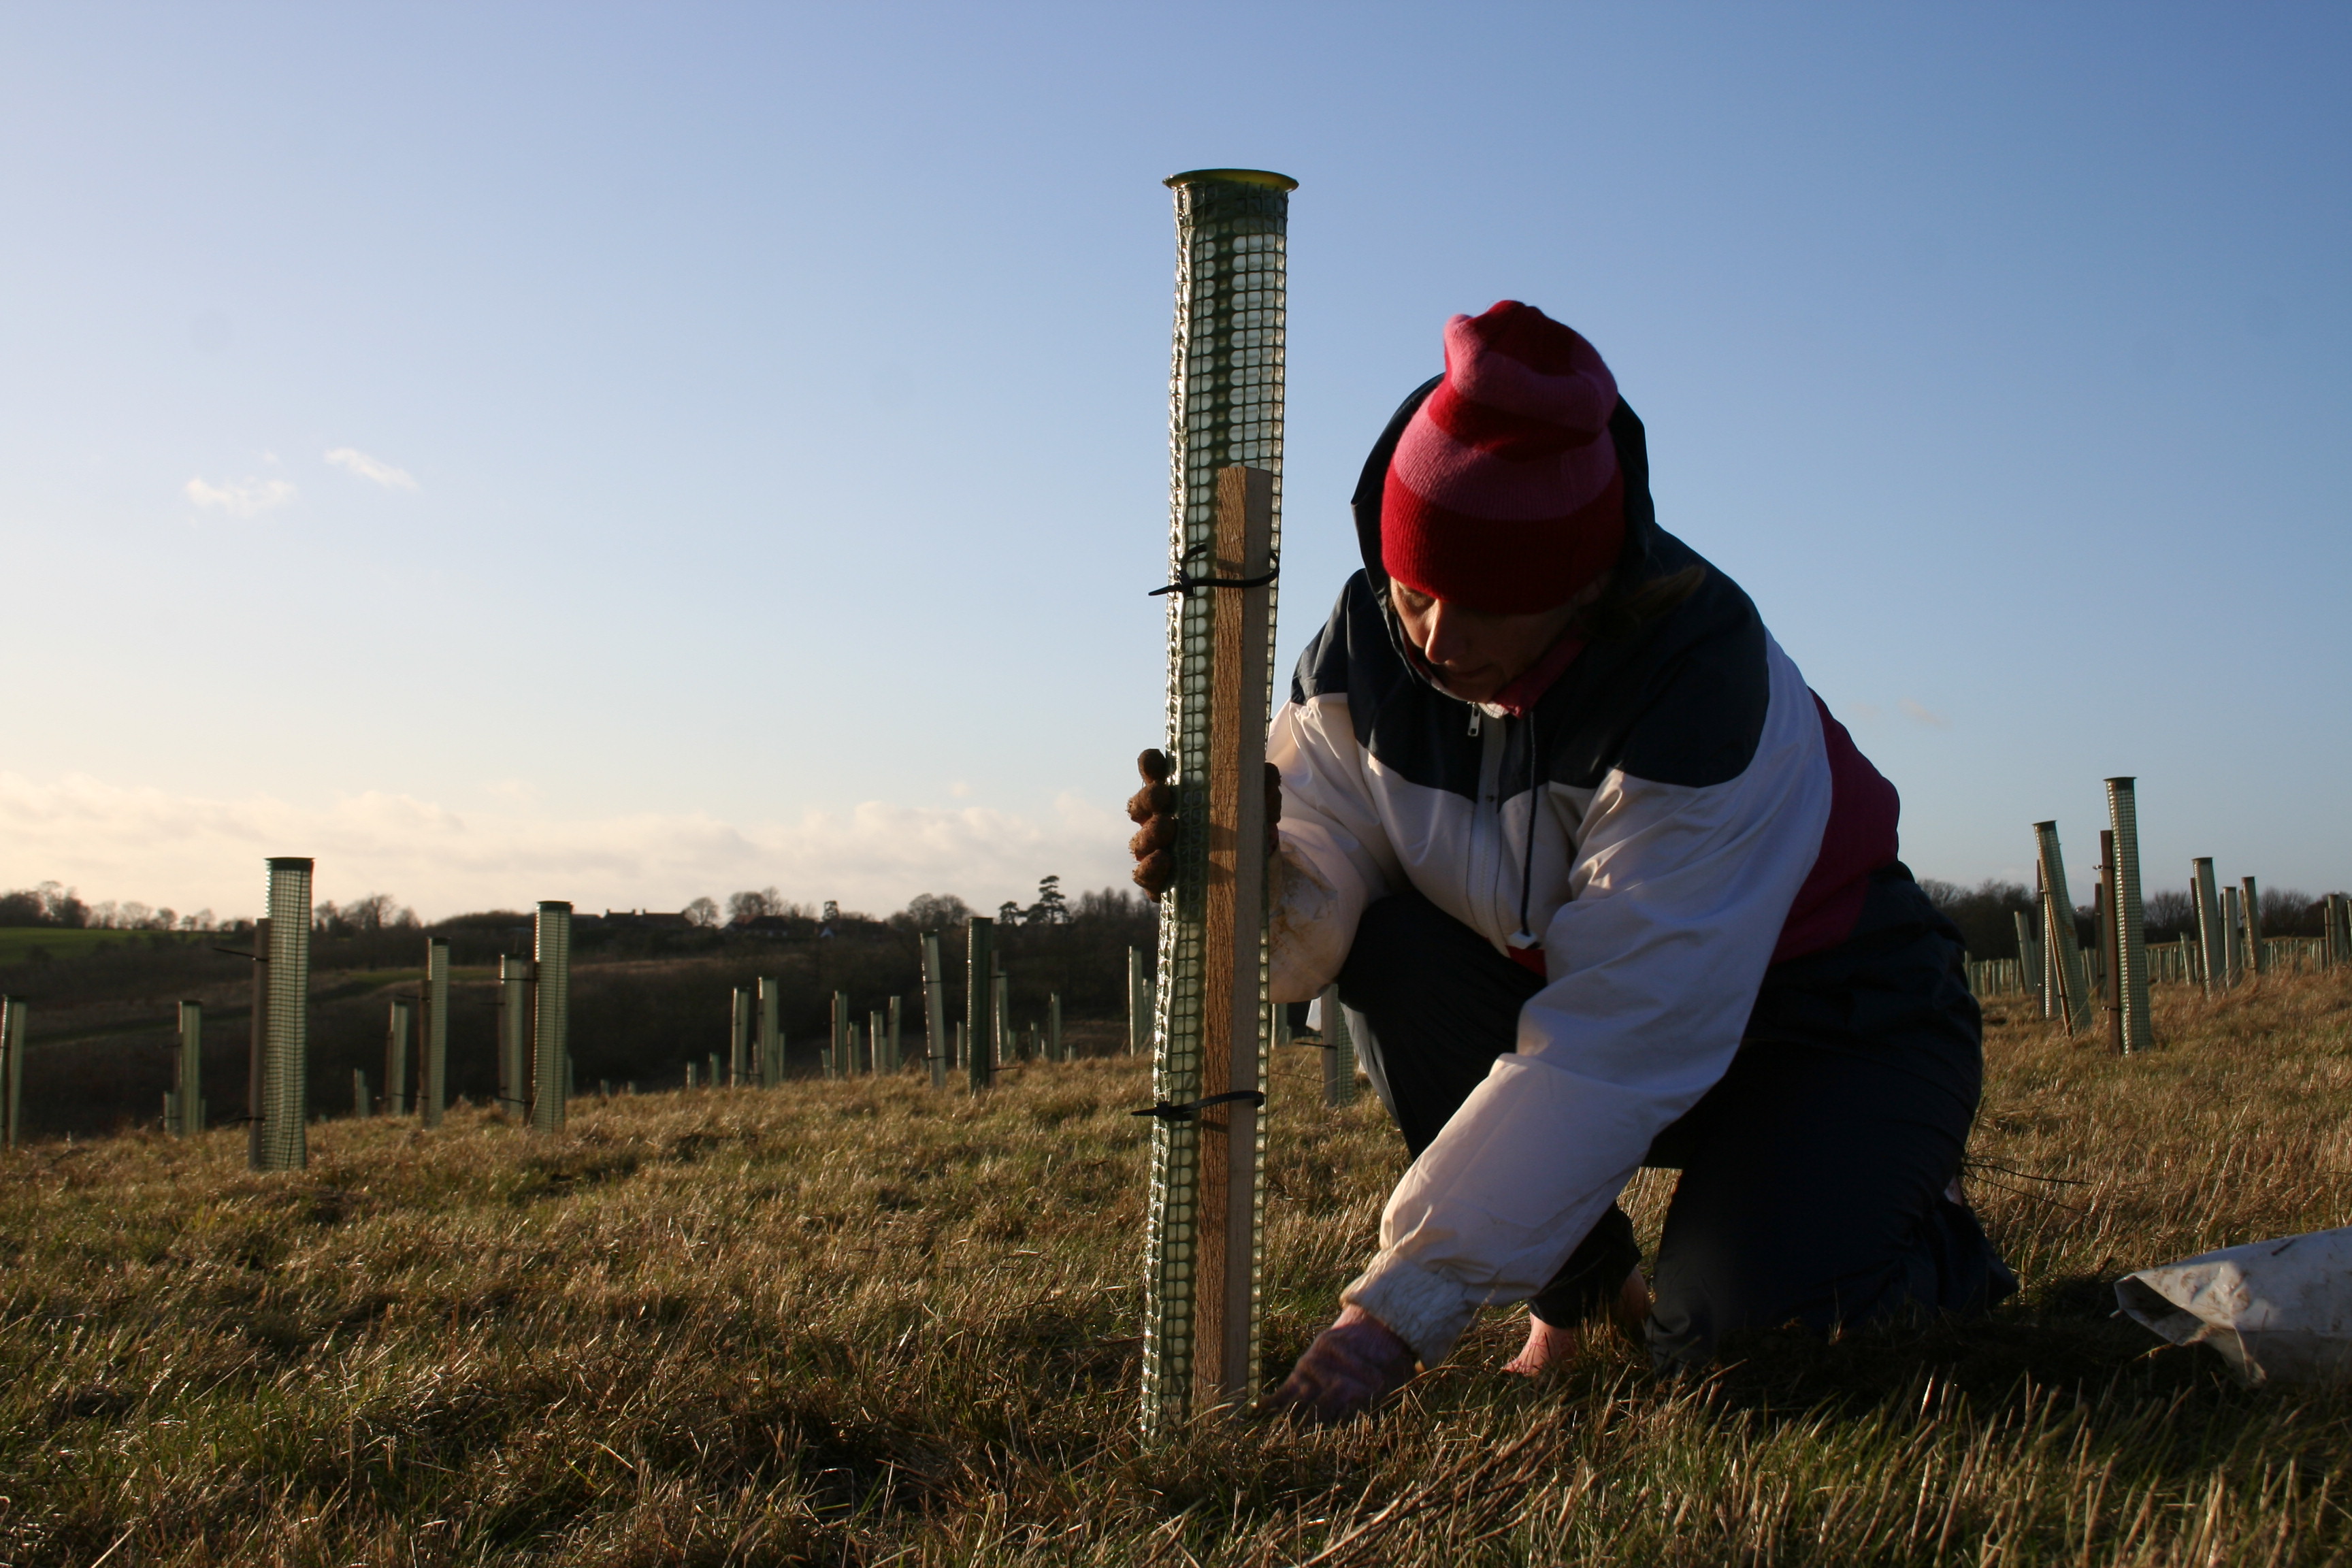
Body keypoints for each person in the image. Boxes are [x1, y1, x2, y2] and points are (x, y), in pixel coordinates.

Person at [1128, 301, 2013, 1423]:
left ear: (1586, 586)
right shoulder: (1367, 654)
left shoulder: (1702, 685)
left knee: (1735, 1350)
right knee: (1398, 955)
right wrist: (1254, 874)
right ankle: (1587, 1297)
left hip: (1831, 1028)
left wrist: (1397, 1312)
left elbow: (1618, 1042)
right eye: (1415, 589)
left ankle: (1912, 1234)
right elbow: (1327, 900)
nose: (1439, 640)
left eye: (1489, 603)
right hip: (1600, 1012)